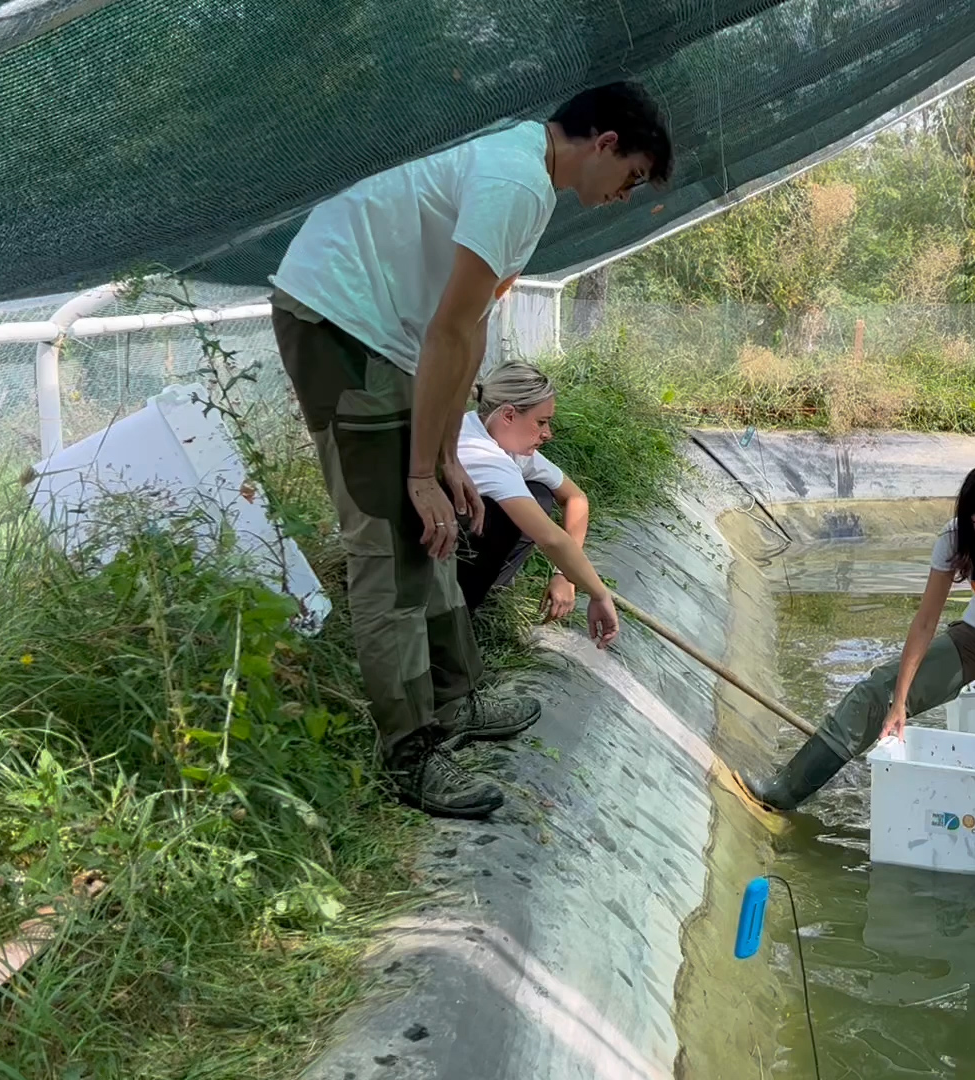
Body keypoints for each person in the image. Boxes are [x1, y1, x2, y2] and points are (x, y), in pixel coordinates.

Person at [268, 82, 672, 819]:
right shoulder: (516, 179)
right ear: (605, 142)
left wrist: (449, 452)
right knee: (389, 543)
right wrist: (419, 469)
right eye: (633, 176)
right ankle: (411, 752)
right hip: (335, 319)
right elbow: (449, 331)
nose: (625, 195)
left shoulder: (534, 185)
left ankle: (456, 699)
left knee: (440, 522)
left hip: (383, 335)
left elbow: (472, 330)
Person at [738, 462, 975, 811]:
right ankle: (783, 792)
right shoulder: (953, 537)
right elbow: (926, 621)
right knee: (877, 692)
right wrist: (899, 702)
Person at [453, 362, 618, 630]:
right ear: (508, 415)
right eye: (541, 422)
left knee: (540, 494)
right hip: (426, 546)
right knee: (513, 514)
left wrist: (565, 574)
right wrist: (599, 594)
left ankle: (487, 595)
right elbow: (550, 539)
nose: (547, 434)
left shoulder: (499, 437)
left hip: (453, 535)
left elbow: (575, 498)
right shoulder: (484, 456)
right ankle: (458, 613)